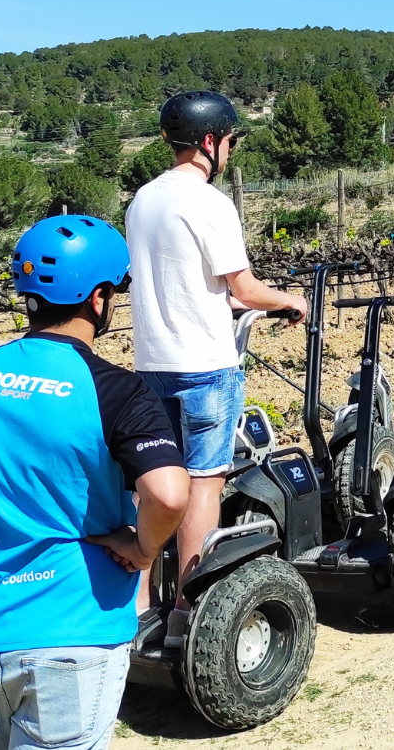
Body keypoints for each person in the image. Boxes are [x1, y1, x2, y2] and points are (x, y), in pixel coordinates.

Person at [0, 215, 190, 750]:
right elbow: (168, 493)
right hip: (74, 637)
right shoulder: (115, 390)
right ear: (98, 297)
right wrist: (142, 548)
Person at [125, 90, 308, 647]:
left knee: (155, 489)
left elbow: (185, 287)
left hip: (152, 365)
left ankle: (132, 611)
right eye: (228, 140)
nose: (229, 150)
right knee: (205, 484)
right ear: (210, 142)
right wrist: (291, 302)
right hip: (205, 367)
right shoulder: (209, 203)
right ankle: (190, 606)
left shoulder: (141, 201)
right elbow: (244, 288)